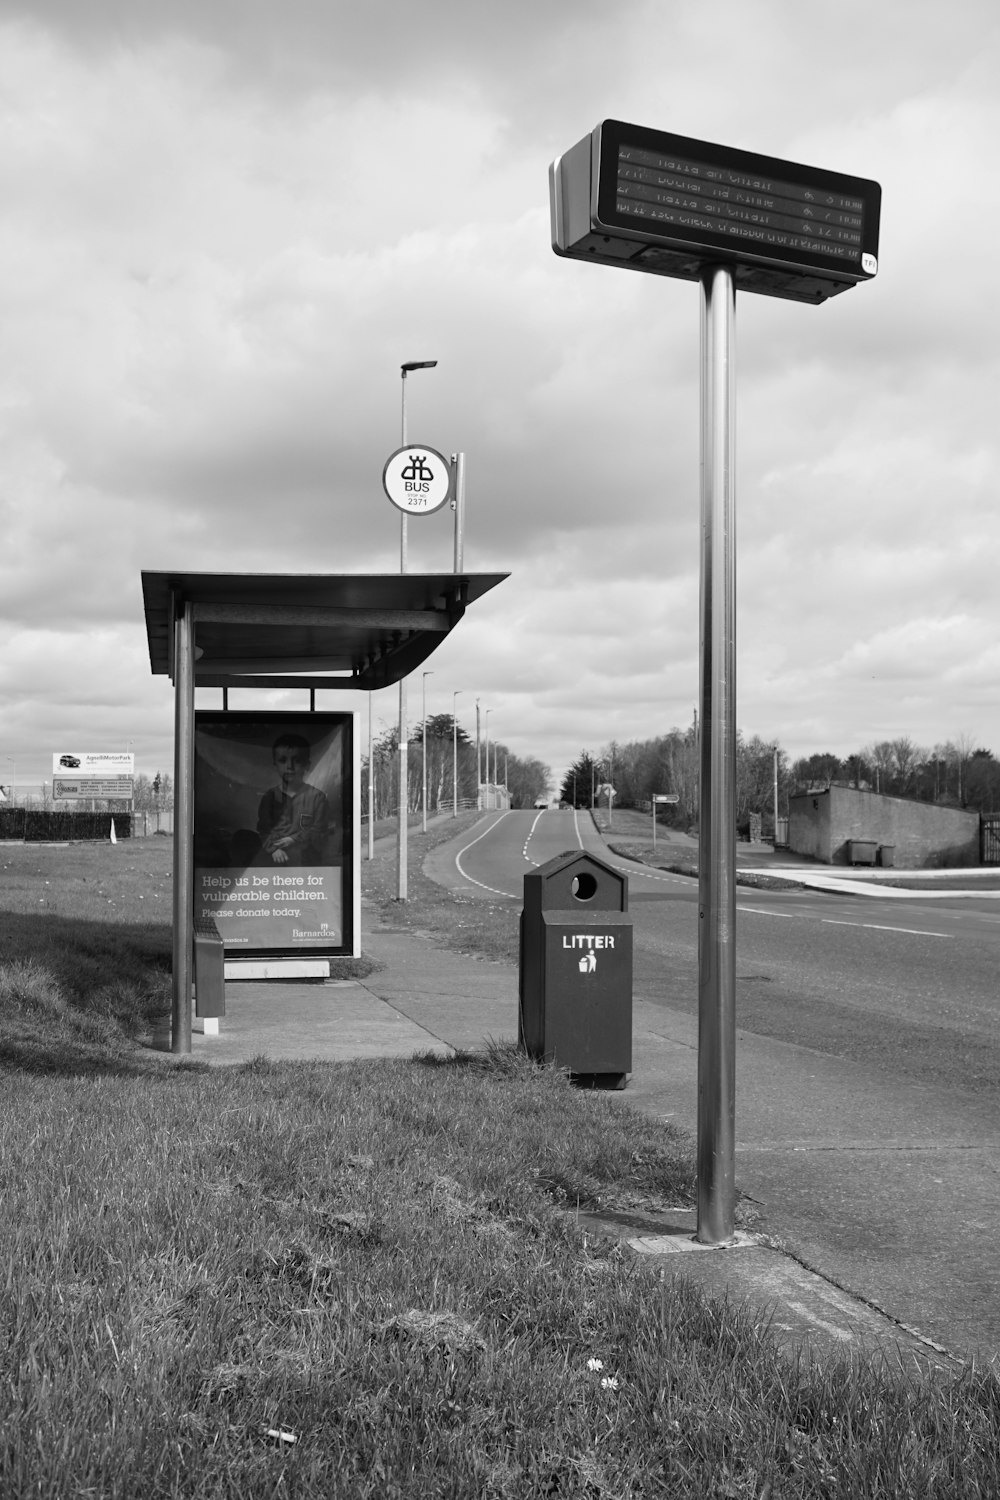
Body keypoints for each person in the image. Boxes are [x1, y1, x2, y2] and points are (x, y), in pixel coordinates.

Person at [252, 733, 331, 866]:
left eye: (297, 760)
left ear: (307, 765)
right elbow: (264, 830)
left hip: (307, 864)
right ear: (275, 765)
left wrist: (293, 839)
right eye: (283, 760)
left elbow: (320, 830)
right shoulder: (269, 797)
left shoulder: (317, 797)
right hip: (276, 862)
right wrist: (273, 849)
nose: (290, 766)